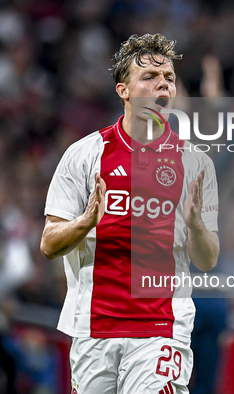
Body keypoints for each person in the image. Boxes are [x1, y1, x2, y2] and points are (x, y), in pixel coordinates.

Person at [40, 33, 220, 394]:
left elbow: (208, 259)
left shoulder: (195, 163)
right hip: (94, 328)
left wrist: (196, 224)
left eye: (168, 77)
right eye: (150, 77)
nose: (162, 84)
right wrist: (86, 222)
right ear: (123, 90)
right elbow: (49, 243)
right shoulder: (85, 154)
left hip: (161, 328)